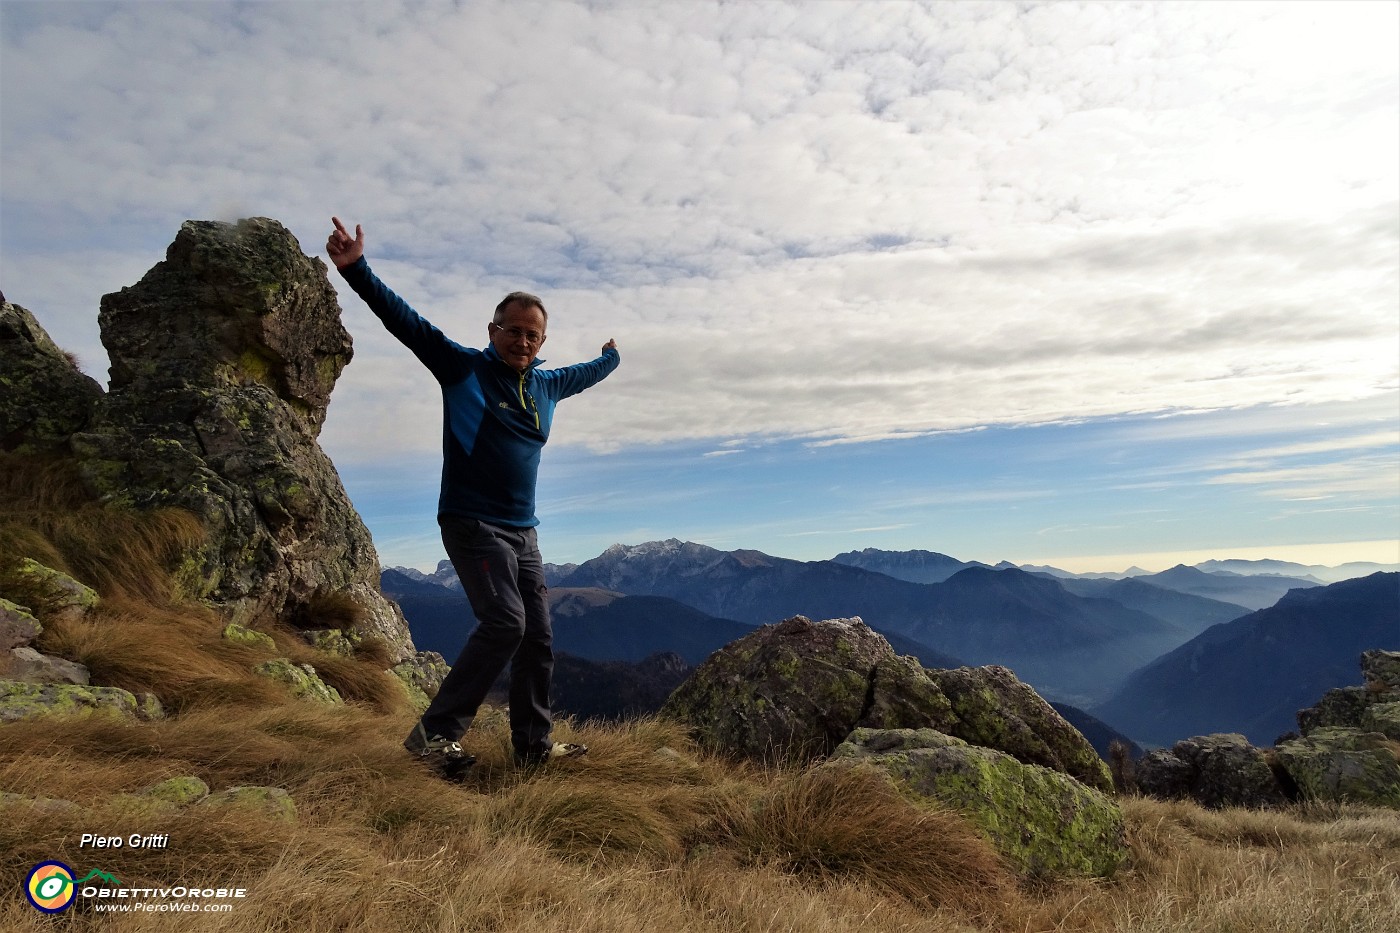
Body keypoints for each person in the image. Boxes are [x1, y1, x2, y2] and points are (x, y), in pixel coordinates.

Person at [326, 216, 620, 780]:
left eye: (533, 334)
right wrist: (356, 270)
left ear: (542, 342)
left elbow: (589, 372)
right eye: (513, 330)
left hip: (523, 531)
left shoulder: (547, 383)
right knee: (506, 623)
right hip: (472, 523)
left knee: (537, 635)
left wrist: (612, 357)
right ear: (493, 330)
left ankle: (533, 745)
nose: (522, 340)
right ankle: (434, 739)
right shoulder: (462, 368)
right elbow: (406, 323)